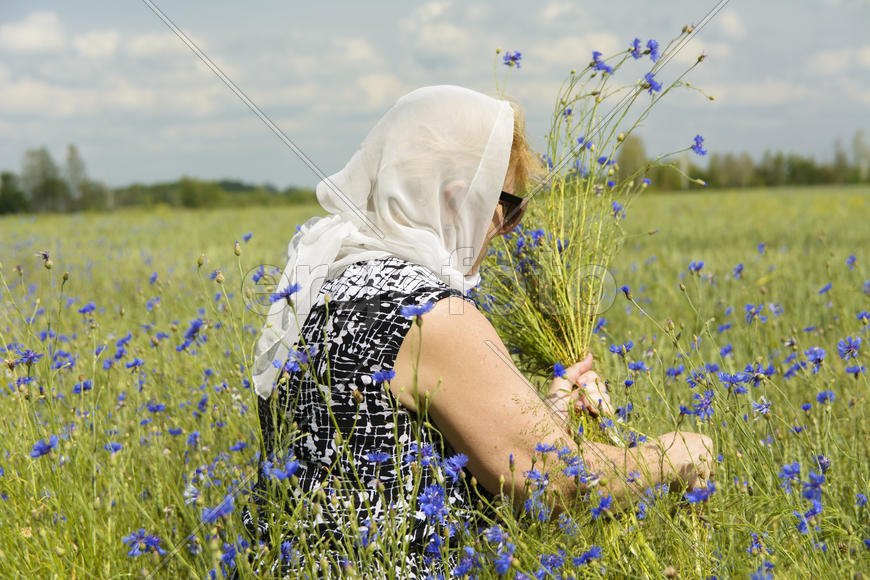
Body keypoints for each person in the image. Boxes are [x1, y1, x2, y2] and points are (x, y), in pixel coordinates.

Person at [243, 85, 713, 577]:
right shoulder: (432, 313)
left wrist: (545, 421)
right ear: (460, 197)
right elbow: (560, 485)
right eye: (509, 206)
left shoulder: (325, 283)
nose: (506, 230)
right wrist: (671, 455)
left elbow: (378, 461)